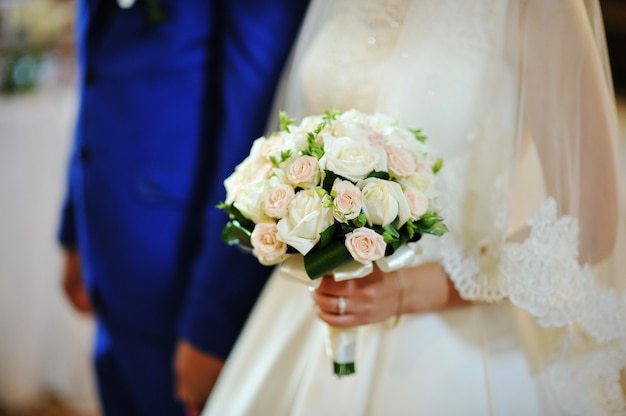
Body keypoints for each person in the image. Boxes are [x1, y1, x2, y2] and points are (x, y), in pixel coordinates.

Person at [202, 0, 626, 415]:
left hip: (453, 336)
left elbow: (591, 227)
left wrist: (419, 288)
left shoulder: (535, 6)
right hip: (316, 302)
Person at [58, 1, 309, 415]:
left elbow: (256, 132)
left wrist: (214, 325)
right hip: (106, 244)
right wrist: (74, 229)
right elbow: (95, 76)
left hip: (182, 266)